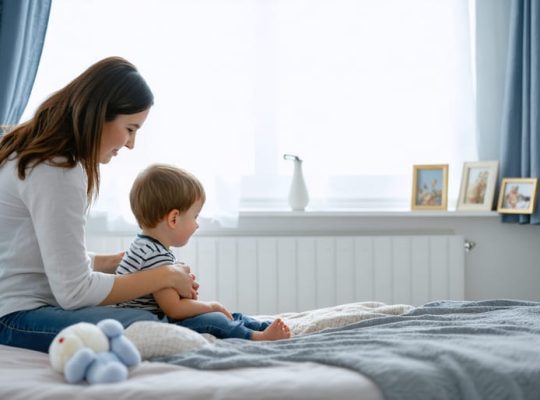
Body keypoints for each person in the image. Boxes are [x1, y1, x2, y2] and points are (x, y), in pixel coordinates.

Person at [0, 57, 199, 353]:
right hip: (16, 316)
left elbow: (43, 255)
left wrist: (113, 261)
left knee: (147, 320)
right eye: (130, 128)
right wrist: (164, 275)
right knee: (146, 322)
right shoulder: (58, 169)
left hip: (16, 306)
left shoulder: (36, 154)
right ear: (100, 115)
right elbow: (74, 292)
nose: (131, 144)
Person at [116, 163, 291, 341]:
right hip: (158, 324)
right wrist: (210, 306)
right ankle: (257, 336)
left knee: (223, 314)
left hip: (158, 317)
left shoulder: (143, 246)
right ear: (174, 218)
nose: (197, 224)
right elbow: (174, 309)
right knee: (216, 318)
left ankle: (264, 327)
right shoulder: (156, 256)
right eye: (195, 216)